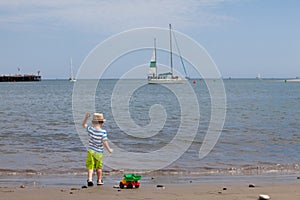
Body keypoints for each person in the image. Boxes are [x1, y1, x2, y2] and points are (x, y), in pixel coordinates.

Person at [82, 112, 113, 186]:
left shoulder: (91, 129)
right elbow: (104, 142)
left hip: (91, 151)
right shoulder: (103, 132)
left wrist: (86, 118)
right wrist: (109, 149)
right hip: (99, 152)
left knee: (90, 166)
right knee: (99, 167)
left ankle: (90, 180)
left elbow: (83, 125)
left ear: (93, 122)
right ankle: (99, 180)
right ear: (102, 123)